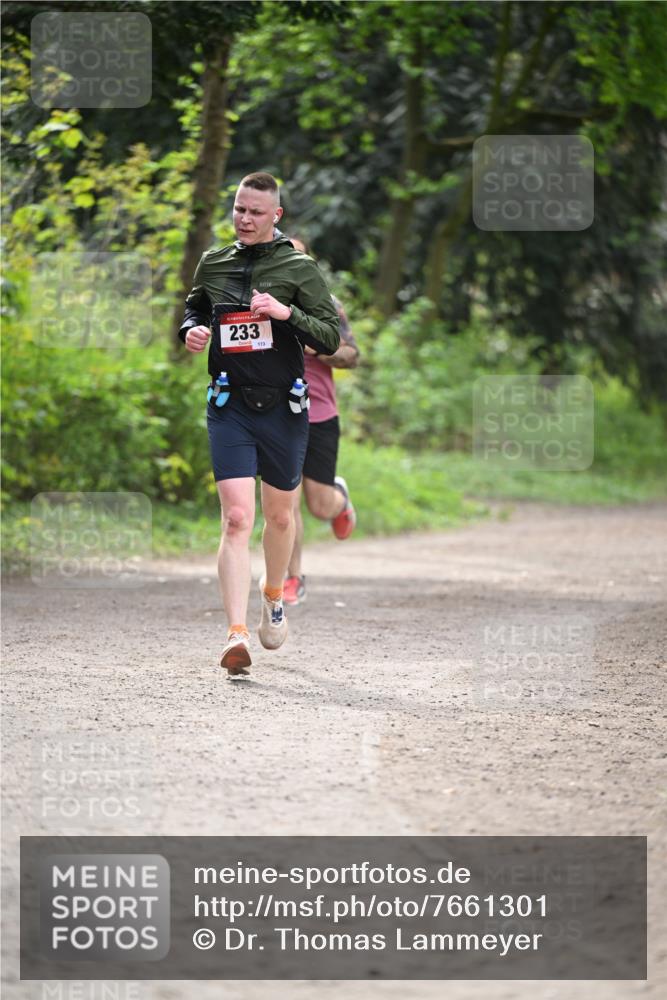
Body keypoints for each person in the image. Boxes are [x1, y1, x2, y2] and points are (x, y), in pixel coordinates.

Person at [179, 172, 340, 676]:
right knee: (235, 519)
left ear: (276, 216)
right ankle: (235, 634)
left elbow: (331, 337)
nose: (244, 219)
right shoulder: (214, 261)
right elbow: (192, 309)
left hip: (284, 410)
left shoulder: (299, 267)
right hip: (228, 406)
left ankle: (273, 597)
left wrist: (286, 313)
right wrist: (193, 330)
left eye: (255, 212)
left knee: (281, 517)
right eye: (239, 209)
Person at [283, 236, 360, 607]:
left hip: (320, 415)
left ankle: (339, 499)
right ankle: (292, 576)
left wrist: (320, 347)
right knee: (286, 498)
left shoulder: (327, 305)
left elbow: (351, 354)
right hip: (278, 414)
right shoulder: (262, 304)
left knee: (318, 505)